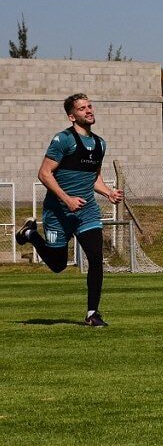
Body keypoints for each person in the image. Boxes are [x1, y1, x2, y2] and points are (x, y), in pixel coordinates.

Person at [15, 93, 124, 326]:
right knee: (58, 265)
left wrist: (108, 193)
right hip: (58, 212)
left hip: (87, 212)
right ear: (71, 116)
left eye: (90, 106)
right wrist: (66, 199)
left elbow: (93, 178)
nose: (88, 110)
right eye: (82, 108)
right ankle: (30, 234)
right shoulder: (62, 140)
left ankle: (92, 314)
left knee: (96, 257)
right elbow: (44, 174)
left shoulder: (99, 143)